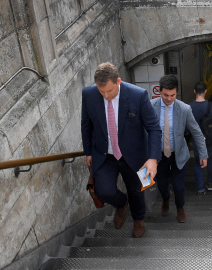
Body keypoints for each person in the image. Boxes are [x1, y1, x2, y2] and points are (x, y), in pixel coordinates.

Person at [81, 62, 161, 238]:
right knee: (104, 191)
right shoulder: (88, 94)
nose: (106, 96)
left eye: (109, 91)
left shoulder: (138, 95)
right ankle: (121, 203)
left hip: (135, 155)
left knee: (137, 190)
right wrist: (88, 152)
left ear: (118, 81)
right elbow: (86, 125)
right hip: (105, 154)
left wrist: (153, 158)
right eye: (102, 92)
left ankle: (139, 219)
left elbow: (154, 128)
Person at [151, 74, 208, 223]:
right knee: (162, 184)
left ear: (177, 92)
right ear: (159, 91)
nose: (169, 98)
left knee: (179, 186)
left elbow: (196, 131)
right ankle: (165, 198)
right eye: (165, 95)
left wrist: (203, 154)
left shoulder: (184, 109)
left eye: (173, 95)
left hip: (179, 154)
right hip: (159, 155)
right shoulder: (151, 106)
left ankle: (180, 207)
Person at [189, 82, 212, 194]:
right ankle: (210, 184)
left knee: (198, 163)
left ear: (194, 91)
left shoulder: (189, 107)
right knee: (211, 161)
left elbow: (187, 127)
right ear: (205, 91)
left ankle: (200, 188)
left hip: (197, 141)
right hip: (210, 140)